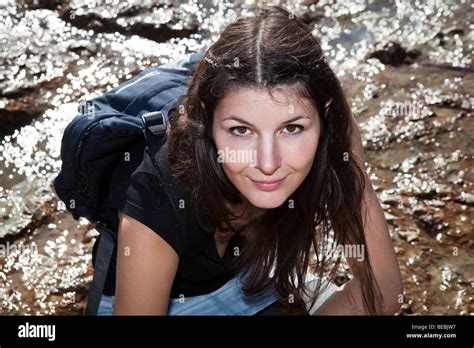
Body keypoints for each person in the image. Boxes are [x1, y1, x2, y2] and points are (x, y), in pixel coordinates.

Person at [102, 5, 403, 315]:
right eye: (241, 130)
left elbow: (384, 292)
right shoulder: (159, 191)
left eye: (292, 128)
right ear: (207, 118)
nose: (268, 162)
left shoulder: (332, 135)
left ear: (324, 114)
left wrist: (353, 169)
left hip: (248, 275)